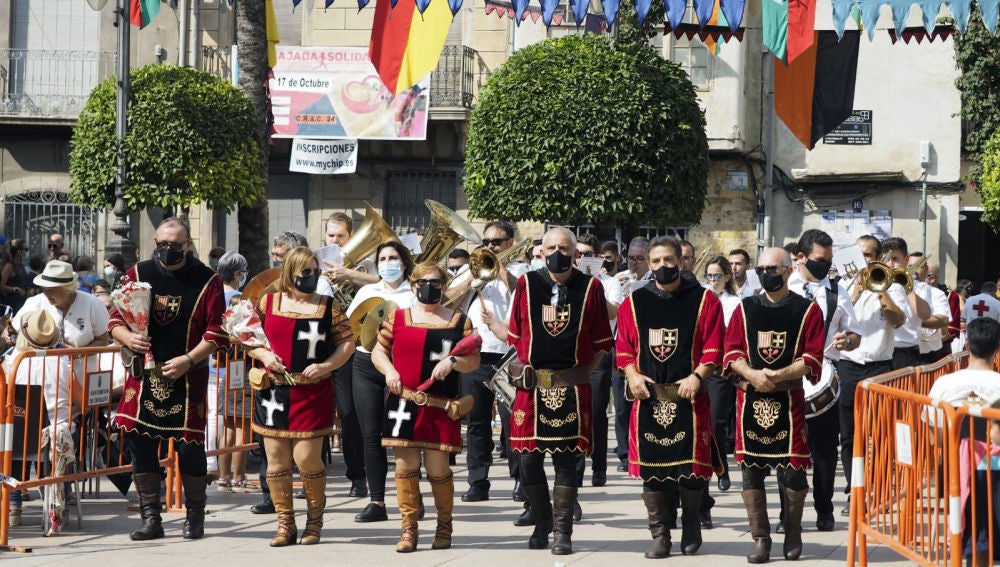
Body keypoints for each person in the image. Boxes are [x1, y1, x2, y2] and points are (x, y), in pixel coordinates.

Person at [110, 217, 228, 542]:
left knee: (190, 449)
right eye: (162, 244)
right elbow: (116, 318)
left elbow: (217, 332)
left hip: (188, 376)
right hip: (143, 376)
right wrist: (127, 339)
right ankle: (151, 518)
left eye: (174, 245)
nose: (167, 250)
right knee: (142, 447)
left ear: (187, 245)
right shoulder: (138, 274)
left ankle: (195, 517)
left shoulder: (208, 280)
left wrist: (189, 359)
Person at [506, 227, 613, 555]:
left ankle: (563, 532)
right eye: (550, 247)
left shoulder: (591, 287)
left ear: (576, 254)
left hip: (571, 387)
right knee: (527, 461)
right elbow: (515, 334)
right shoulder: (526, 285)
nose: (557, 253)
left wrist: (580, 373)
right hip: (532, 386)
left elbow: (601, 343)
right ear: (541, 251)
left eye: (564, 248)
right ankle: (542, 519)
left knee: (566, 462)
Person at [615, 236, 724, 558]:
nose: (664, 266)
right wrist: (632, 375)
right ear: (649, 264)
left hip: (689, 398)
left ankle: (691, 524)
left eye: (669, 260)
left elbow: (714, 347)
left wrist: (697, 376)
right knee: (653, 471)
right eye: (657, 261)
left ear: (681, 261)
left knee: (691, 469)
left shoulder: (705, 300)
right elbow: (623, 350)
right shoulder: (634, 303)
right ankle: (660, 534)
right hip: (649, 398)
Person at [722, 246, 826, 563]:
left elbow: (811, 358)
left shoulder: (807, 310)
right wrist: (752, 374)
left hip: (788, 400)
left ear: (787, 270)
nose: (768, 274)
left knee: (792, 471)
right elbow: (731, 352)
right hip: (750, 399)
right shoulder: (746, 308)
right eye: (763, 268)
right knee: (751, 472)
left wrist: (777, 375)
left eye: (774, 268)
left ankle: (793, 532)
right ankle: (760, 539)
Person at [371, 262, 480, 552]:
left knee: (437, 468)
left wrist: (454, 361)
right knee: (405, 467)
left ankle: (444, 526)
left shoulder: (459, 321)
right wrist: (390, 372)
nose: (428, 287)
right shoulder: (398, 318)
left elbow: (474, 360)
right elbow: (378, 351)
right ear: (414, 285)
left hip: (440, 405)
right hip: (403, 401)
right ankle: (408, 528)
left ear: (444, 286)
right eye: (422, 282)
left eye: (434, 282)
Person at [249, 246, 354, 546]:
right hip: (274, 389)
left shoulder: (328, 306)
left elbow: (346, 343)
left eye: (315, 271)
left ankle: (314, 522)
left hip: (313, 391)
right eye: (304, 271)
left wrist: (326, 366)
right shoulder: (268, 302)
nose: (310, 277)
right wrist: (263, 355)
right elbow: (246, 335)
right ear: (290, 272)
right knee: (276, 462)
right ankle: (285, 524)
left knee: (307, 458)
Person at [782, 230, 861, 533]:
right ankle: (788, 515)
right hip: (786, 378)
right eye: (819, 261)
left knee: (825, 450)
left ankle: (824, 509)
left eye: (828, 262)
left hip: (822, 379)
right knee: (787, 450)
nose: (825, 267)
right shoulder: (783, 288)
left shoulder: (836, 292)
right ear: (800, 257)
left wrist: (848, 340)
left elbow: (855, 335)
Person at [838, 235, 911, 517]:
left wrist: (880, 289)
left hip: (880, 367)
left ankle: (877, 486)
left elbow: (898, 320)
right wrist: (855, 292)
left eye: (869, 256)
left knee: (878, 433)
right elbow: (835, 319)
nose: (864, 261)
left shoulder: (892, 285)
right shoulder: (845, 286)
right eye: (861, 256)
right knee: (848, 435)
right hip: (849, 365)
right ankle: (853, 489)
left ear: (879, 257)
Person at [346, 241, 416, 522]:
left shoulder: (414, 293)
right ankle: (377, 501)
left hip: (401, 366)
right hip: (365, 365)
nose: (388, 263)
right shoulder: (367, 291)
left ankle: (411, 497)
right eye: (383, 258)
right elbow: (352, 328)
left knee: (403, 436)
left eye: (393, 258)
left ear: (404, 262)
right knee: (370, 435)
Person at [925, 318, 1000, 566]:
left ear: (966, 345)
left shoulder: (943, 385)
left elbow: (935, 435)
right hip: (994, 472)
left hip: (955, 469)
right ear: (997, 348)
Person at [458, 221, 521, 504]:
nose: (490, 247)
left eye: (496, 242)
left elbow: (522, 295)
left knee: (513, 420)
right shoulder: (469, 268)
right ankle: (477, 481)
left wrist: (499, 267)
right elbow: (448, 298)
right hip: (476, 354)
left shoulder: (523, 270)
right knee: (476, 420)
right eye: (486, 242)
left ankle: (521, 479)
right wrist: (469, 278)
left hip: (509, 355)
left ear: (510, 243)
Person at [574, 234, 623, 493]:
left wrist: (590, 286)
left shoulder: (610, 282)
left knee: (595, 413)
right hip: (573, 356)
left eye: (588, 254)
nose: (582, 258)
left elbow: (613, 311)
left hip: (600, 354)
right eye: (578, 254)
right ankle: (577, 468)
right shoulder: (566, 283)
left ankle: (599, 466)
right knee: (575, 413)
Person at [702, 256, 741, 498]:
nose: (713, 281)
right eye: (709, 276)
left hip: (718, 370)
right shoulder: (702, 298)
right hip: (697, 368)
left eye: (717, 276)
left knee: (716, 422)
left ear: (727, 277)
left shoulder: (735, 302)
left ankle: (722, 468)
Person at [214, 252, 252, 493]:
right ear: (237, 274)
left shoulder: (214, 297)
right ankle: (239, 478)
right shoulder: (241, 300)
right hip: (241, 366)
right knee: (242, 427)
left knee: (227, 425)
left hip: (221, 367)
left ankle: (223, 477)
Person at [882, 237, 931, 369]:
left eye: (895, 259)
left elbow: (925, 315)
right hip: (879, 354)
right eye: (886, 260)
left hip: (904, 354)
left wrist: (906, 286)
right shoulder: (876, 284)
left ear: (906, 259)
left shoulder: (920, 287)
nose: (890, 265)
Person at [2, 239, 31, 312]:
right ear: (19, 252)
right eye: (26, 249)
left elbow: (22, 281)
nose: (27, 252)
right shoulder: (9, 266)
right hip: (11, 305)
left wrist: (29, 290)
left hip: (20, 303)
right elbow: (1, 285)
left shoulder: (20, 264)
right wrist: (16, 289)